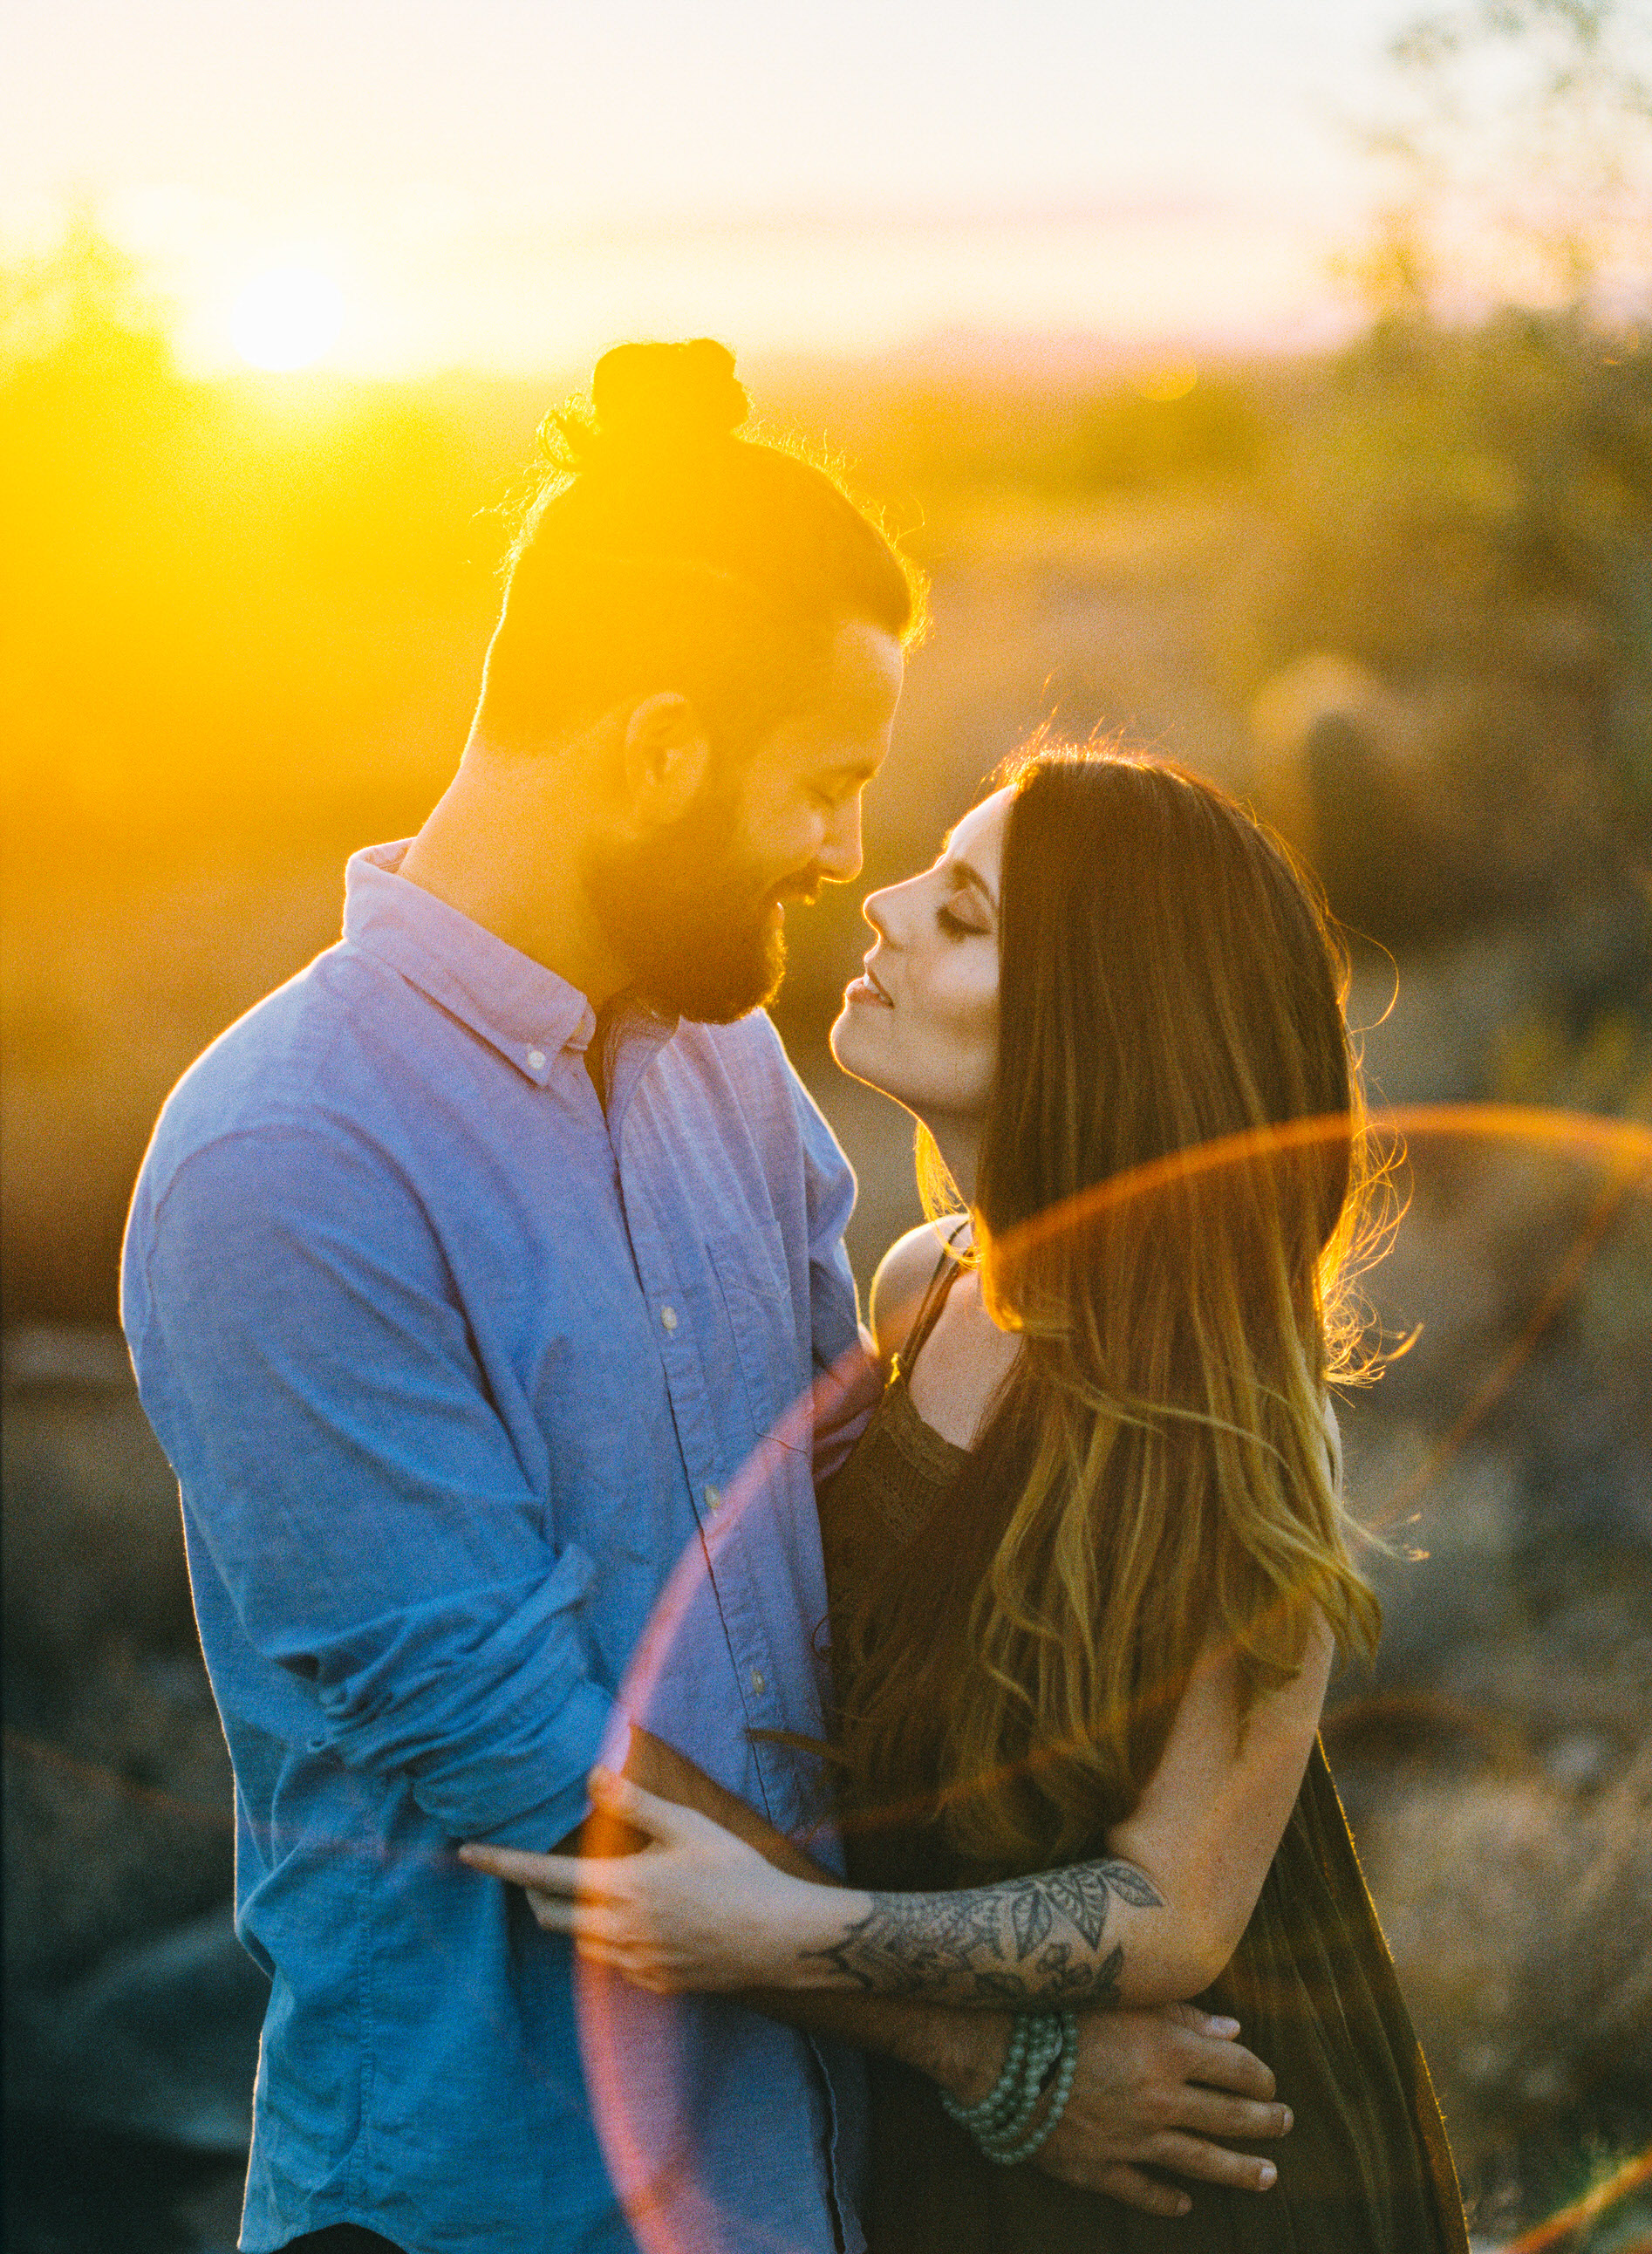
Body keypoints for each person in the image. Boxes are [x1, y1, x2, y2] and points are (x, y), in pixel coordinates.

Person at [122, 347, 1294, 2254]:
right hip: (499, 2193)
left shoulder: (724, 1067)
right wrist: (990, 2057)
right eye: (826, 787)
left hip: (821, 2182)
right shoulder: (288, 1159)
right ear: (661, 754)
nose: (846, 857)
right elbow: (539, 1779)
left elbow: (862, 1558)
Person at [472, 749, 1472, 2251]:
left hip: (1198, 2162)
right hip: (963, 2145)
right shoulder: (921, 1289)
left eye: (961, 915)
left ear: (1092, 1025)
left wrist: (788, 1932)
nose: (875, 905)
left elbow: (1177, 1906)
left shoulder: (1231, 1433)